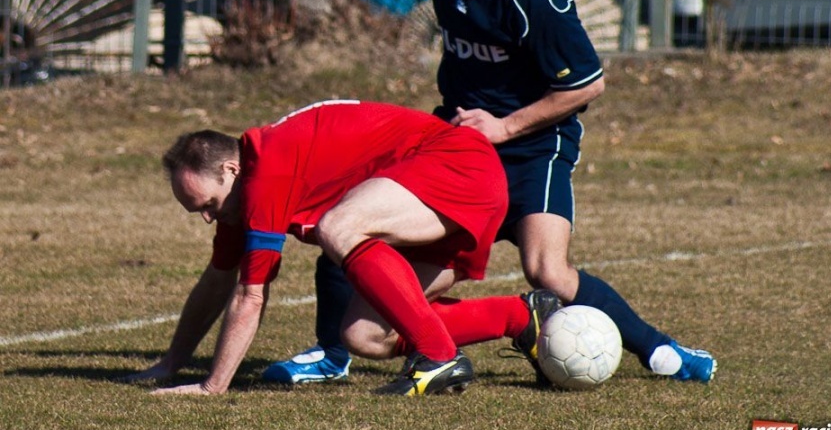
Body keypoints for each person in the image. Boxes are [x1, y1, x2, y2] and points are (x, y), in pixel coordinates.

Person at [265, 0, 716, 386]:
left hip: (533, 147)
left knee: (547, 270)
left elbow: (587, 84)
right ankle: (333, 354)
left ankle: (661, 351)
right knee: (350, 226)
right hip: (456, 149)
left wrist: (503, 127)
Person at [121, 99, 563, 396]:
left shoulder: (265, 176)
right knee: (363, 336)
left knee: (338, 227)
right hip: (440, 188)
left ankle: (439, 357)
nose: (207, 217)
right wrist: (172, 362)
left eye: (208, 205)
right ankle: (521, 317)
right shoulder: (238, 196)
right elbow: (217, 280)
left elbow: (250, 294)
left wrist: (212, 387)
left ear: (231, 169)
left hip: (459, 165)